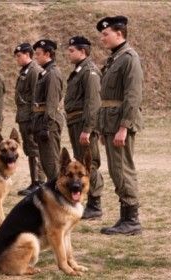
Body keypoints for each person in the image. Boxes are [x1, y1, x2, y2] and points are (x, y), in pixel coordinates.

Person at [96, 16, 144, 235]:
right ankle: (125, 216)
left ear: (119, 33)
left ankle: (131, 219)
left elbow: (133, 96)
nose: (102, 38)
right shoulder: (115, 58)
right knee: (116, 170)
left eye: (105, 34)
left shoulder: (129, 58)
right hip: (110, 121)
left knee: (123, 169)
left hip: (119, 123)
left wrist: (124, 126)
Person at [64, 36, 104, 219]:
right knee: (81, 164)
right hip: (75, 122)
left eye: (72, 50)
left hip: (83, 123)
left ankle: (95, 203)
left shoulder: (89, 72)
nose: (68, 53)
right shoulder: (79, 71)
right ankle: (86, 200)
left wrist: (88, 128)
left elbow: (93, 103)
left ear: (83, 51)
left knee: (90, 164)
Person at [13, 43, 46, 196]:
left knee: (35, 149)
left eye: (19, 56)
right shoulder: (25, 71)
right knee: (30, 150)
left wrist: (35, 118)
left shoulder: (33, 71)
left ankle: (39, 181)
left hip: (31, 116)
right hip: (24, 116)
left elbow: (36, 97)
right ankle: (34, 181)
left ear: (27, 54)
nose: (17, 59)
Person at [32, 39, 64, 181]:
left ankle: (59, 194)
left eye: (38, 54)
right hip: (42, 121)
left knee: (52, 163)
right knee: (46, 162)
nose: (36, 57)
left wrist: (46, 125)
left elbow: (51, 102)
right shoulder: (46, 72)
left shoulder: (52, 74)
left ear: (47, 54)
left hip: (48, 123)